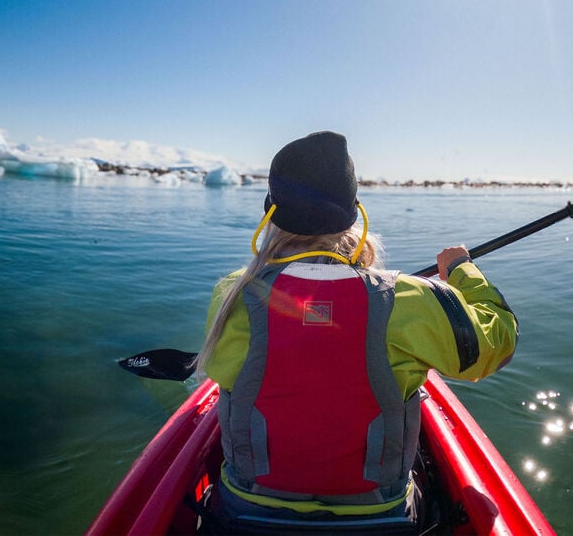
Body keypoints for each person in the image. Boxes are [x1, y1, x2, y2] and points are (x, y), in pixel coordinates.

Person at [197, 132, 518, 532]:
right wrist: (461, 271)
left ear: (272, 216)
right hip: (377, 516)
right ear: (354, 215)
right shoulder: (408, 297)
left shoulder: (234, 292)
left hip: (245, 511)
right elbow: (496, 344)